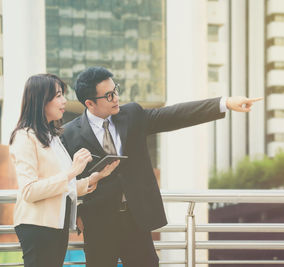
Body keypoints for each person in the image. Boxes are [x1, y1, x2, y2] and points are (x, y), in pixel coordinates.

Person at [61, 66, 262, 266]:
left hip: (137, 220)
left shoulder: (132, 115)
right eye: (109, 95)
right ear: (89, 103)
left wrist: (224, 103)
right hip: (98, 224)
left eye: (116, 90)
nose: (116, 98)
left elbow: (174, 115)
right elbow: (65, 181)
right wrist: (77, 214)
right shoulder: (69, 134)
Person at [9, 74, 119, 267]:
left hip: (56, 225)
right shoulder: (24, 137)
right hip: (37, 226)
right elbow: (29, 191)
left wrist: (94, 177)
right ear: (41, 100)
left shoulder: (52, 138)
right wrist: (72, 171)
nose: (64, 101)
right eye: (58, 95)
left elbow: (62, 187)